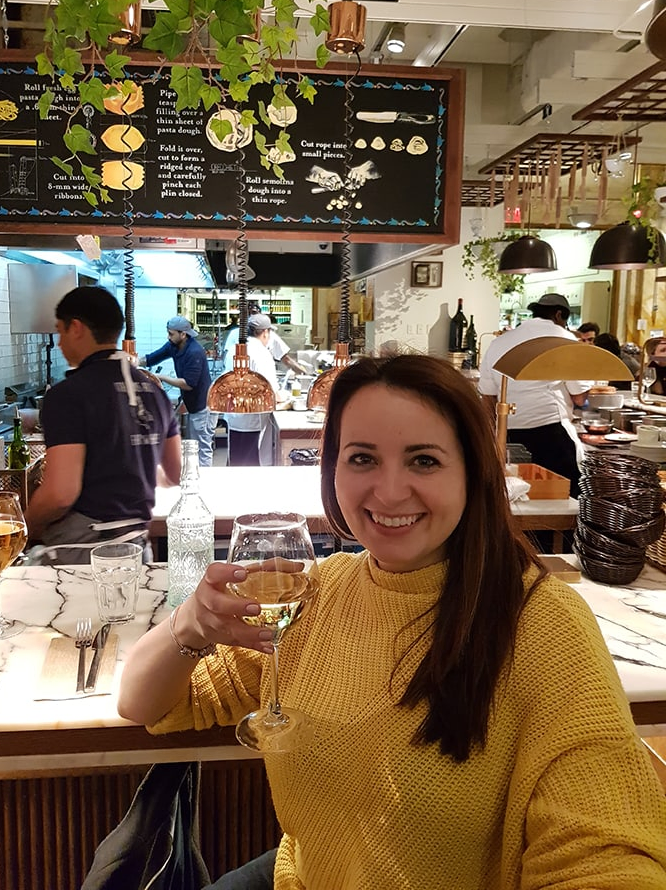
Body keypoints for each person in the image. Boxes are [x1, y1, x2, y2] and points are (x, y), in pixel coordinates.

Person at [118, 355, 666, 889]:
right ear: (332, 467)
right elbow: (142, 702)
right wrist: (190, 623)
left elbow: (603, 853)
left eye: (424, 460)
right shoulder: (320, 591)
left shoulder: (542, 623)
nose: (389, 491)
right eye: (362, 459)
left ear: (473, 473)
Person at [25, 287, 181, 564]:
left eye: (60, 332)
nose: (59, 343)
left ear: (76, 327)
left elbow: (60, 494)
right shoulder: (154, 391)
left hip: (81, 558)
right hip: (136, 552)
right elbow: (175, 474)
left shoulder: (67, 394)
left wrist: (25, 525)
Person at [479, 292, 591, 498]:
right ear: (559, 315)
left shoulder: (500, 342)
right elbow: (579, 397)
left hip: (508, 433)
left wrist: (495, 438)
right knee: (562, 498)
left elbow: (488, 399)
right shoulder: (565, 339)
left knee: (515, 498)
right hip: (551, 433)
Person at [141, 316, 218, 467]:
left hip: (204, 406)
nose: (168, 337)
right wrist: (135, 361)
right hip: (193, 404)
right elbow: (153, 357)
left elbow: (188, 384)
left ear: (183, 334)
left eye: (171, 334)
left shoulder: (194, 352)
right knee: (195, 446)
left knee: (203, 448)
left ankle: (205, 479)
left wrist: (160, 377)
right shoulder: (174, 346)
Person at [224, 313, 281, 466]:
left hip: (234, 416)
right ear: (265, 332)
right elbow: (271, 390)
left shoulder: (233, 351)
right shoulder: (262, 353)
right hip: (253, 419)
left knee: (236, 461)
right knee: (252, 465)